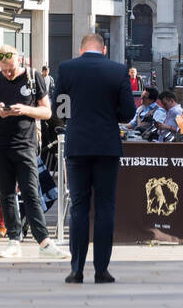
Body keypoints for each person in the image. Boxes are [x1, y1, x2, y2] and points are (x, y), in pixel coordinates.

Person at [53, 30, 136, 284]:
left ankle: (76, 269)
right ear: (104, 50)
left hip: (77, 145)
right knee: (105, 207)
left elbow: (60, 109)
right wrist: (109, 114)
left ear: (81, 50)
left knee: (78, 206)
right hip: (107, 146)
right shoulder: (118, 71)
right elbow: (128, 113)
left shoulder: (67, 69)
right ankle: (102, 269)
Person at [0, 45, 65, 260]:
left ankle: (44, 242)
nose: (7, 73)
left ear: (19, 61)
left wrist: (26, 109)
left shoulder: (33, 77)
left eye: (10, 69)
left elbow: (47, 112)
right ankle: (13, 241)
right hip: (0, 145)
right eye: (4, 69)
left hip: (25, 144)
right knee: (7, 193)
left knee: (31, 192)